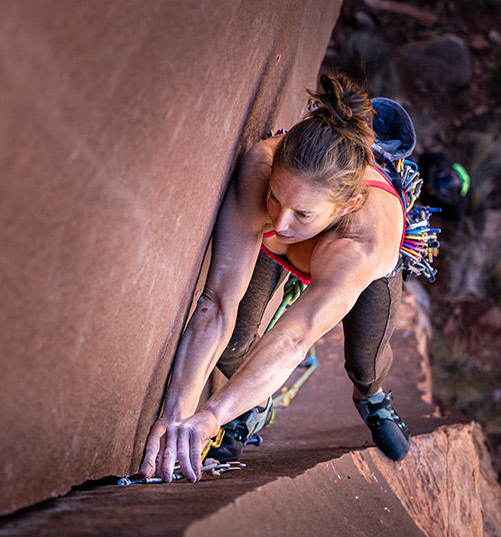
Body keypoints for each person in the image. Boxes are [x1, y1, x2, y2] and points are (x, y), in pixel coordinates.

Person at [139, 73, 411, 483]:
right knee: (235, 345)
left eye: (303, 214)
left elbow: (295, 338)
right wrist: (177, 415)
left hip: (351, 261)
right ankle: (253, 400)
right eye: (275, 198)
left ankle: (371, 397)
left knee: (365, 358)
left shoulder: (362, 243)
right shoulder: (263, 166)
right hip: (289, 250)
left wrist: (211, 416)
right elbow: (217, 302)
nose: (281, 222)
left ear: (348, 204)